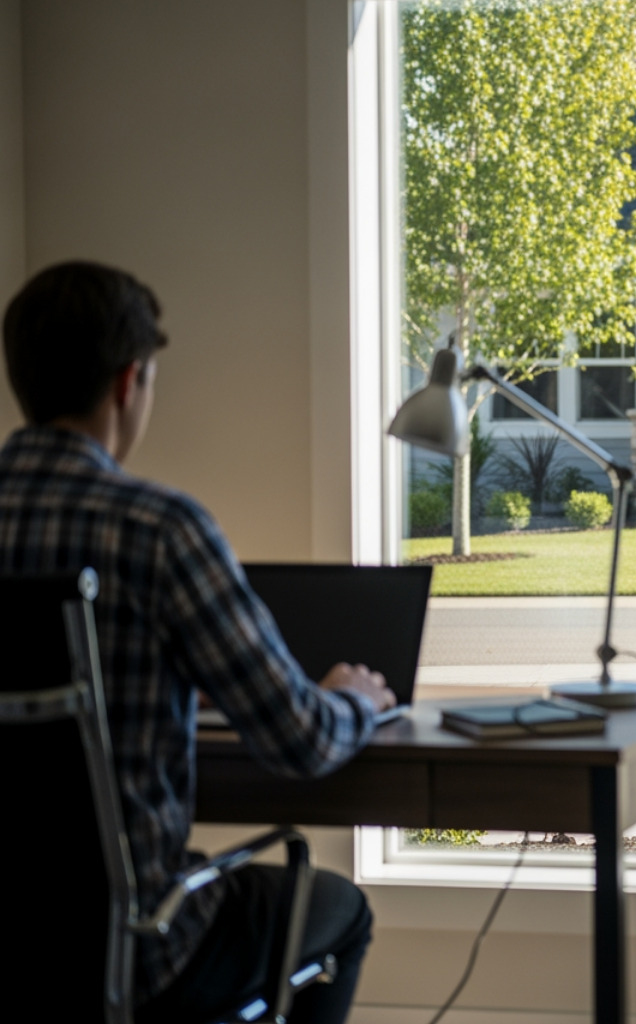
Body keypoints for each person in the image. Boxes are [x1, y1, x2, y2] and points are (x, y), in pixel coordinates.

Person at [0, 262, 396, 1022]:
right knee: (341, 909)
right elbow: (299, 742)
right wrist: (350, 699)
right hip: (138, 949)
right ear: (128, 382)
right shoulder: (158, 529)